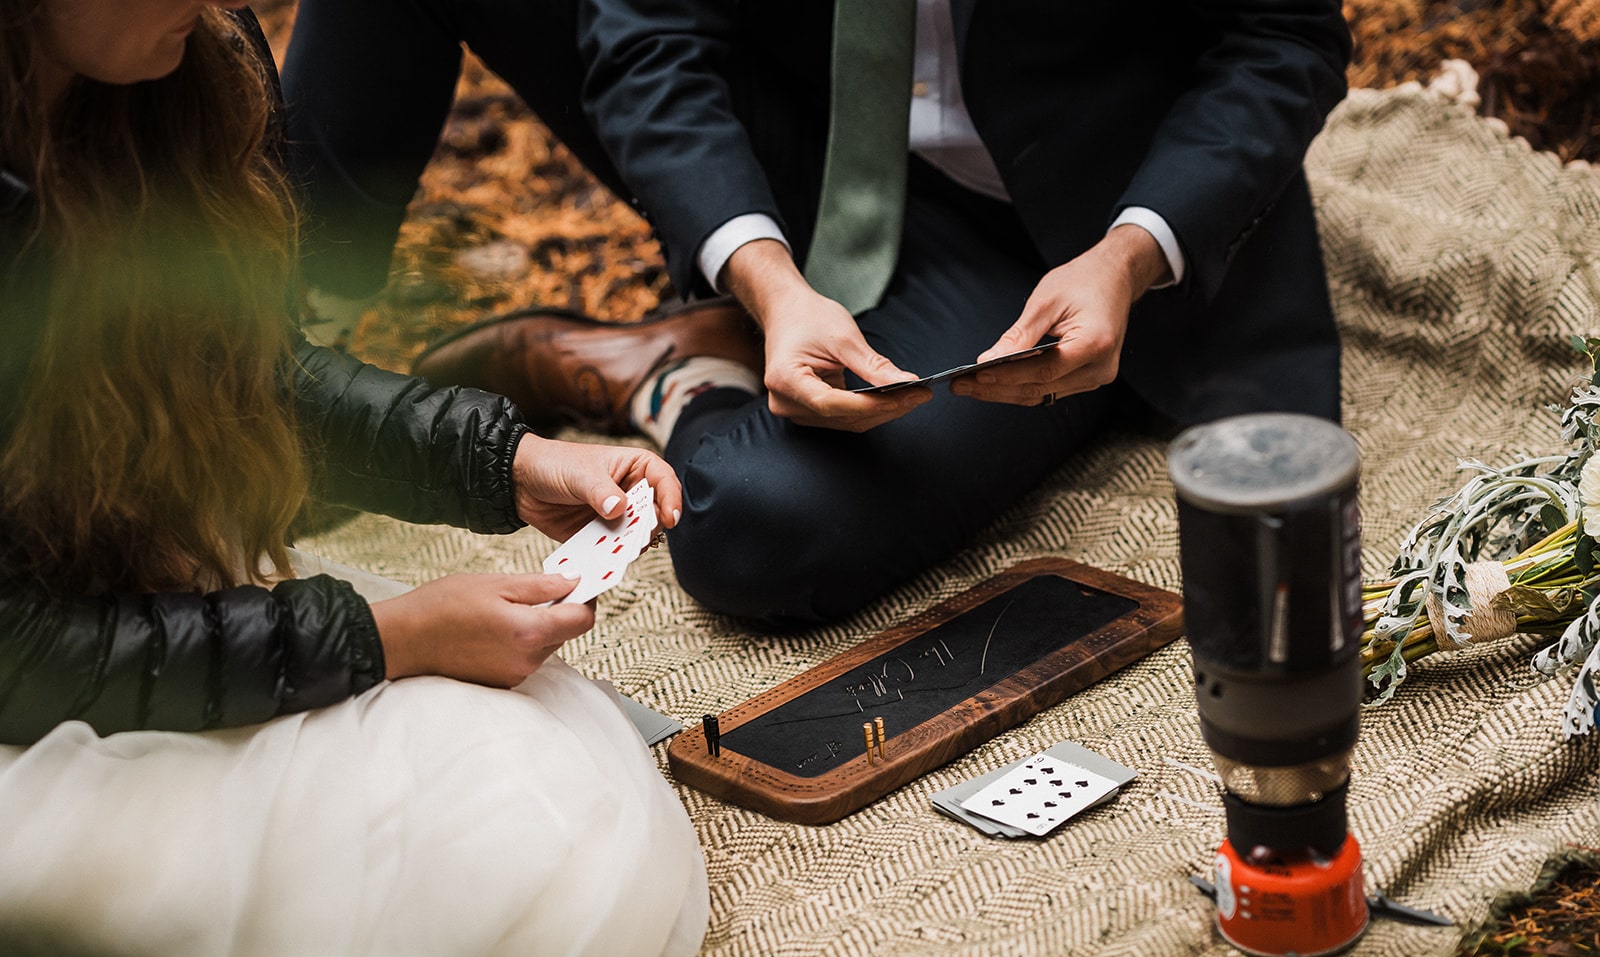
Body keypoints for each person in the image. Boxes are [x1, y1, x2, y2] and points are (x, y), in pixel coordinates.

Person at [0, 2, 706, 957]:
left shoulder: (178, 62)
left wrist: (506, 460)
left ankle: (529, 361)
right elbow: (23, 651)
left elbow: (243, 375)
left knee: (550, 825)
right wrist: (386, 637)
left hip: (133, 604)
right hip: (39, 686)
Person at [286, 1, 1350, 627]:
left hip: (1068, 229)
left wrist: (1130, 254)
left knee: (757, 527)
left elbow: (1282, 37)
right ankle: (263, 361)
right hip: (812, 141)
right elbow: (648, 34)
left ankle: (669, 375)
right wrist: (768, 279)